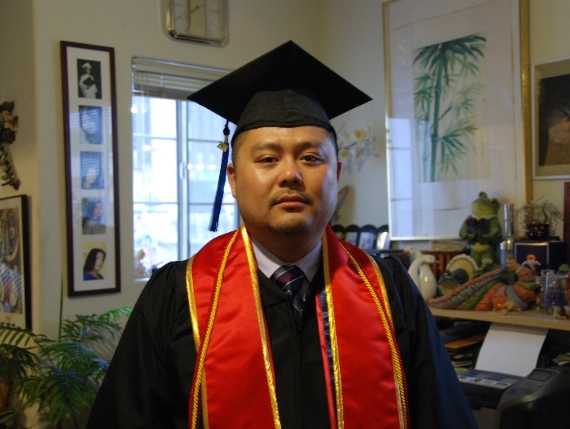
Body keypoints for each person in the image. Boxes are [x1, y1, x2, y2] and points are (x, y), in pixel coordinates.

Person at [87, 41, 477, 429]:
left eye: (310, 158)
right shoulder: (178, 296)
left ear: (336, 174)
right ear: (233, 179)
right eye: (268, 159)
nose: (290, 174)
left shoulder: (389, 291)